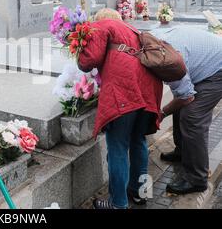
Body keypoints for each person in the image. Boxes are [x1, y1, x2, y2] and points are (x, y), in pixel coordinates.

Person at [78, 17, 163, 209]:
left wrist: (78, 48)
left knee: (118, 148)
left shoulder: (102, 23)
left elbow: (88, 60)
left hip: (126, 92)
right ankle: (141, 193)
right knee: (139, 141)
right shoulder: (130, 28)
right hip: (148, 90)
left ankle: (118, 203)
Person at [151, 27, 222, 195]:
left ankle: (197, 179)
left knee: (192, 117)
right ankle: (182, 152)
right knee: (181, 106)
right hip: (207, 61)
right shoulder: (151, 40)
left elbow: (186, 97)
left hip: (217, 71)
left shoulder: (168, 62)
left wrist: (162, 113)